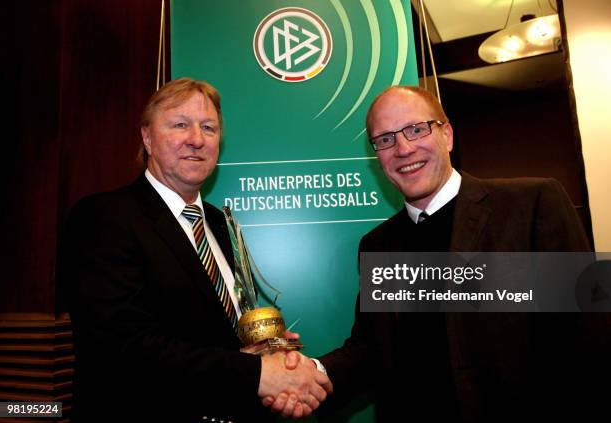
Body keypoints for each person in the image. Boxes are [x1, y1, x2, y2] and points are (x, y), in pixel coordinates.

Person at [269, 85, 595, 421]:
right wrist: (310, 373)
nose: (403, 148)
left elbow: (587, 342)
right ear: (376, 156)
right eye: (385, 139)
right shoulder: (378, 245)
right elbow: (370, 351)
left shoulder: (532, 205)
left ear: (448, 135)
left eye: (415, 129)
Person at [58, 77, 331, 422]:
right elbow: (122, 346)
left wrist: (263, 353)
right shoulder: (103, 218)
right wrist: (261, 374)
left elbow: (210, 334)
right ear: (147, 137)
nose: (196, 140)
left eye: (209, 128)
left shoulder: (218, 222)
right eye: (180, 125)